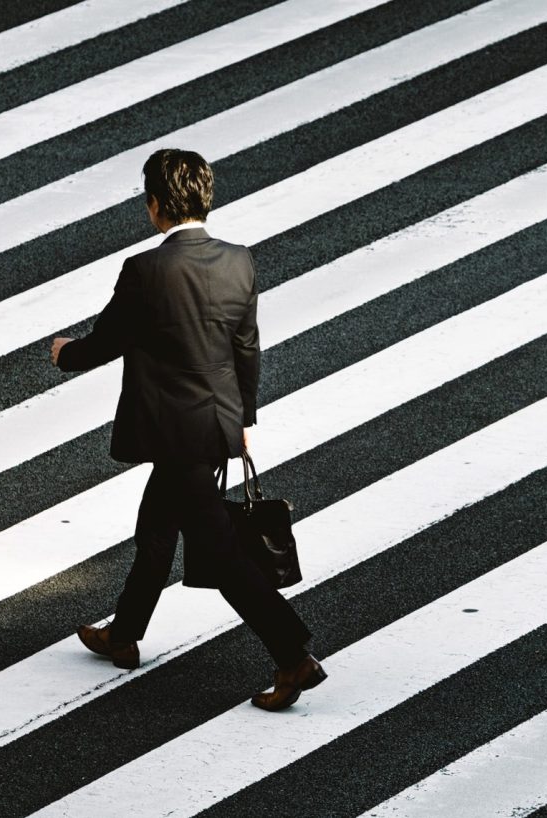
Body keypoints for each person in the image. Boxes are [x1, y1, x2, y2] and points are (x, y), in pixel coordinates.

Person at [50, 148, 326, 711]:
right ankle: (124, 633)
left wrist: (62, 354)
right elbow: (245, 348)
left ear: (155, 206)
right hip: (214, 422)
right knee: (156, 528)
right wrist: (242, 418)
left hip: (171, 430)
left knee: (220, 554)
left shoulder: (146, 270)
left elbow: (105, 343)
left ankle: (293, 655)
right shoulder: (239, 262)